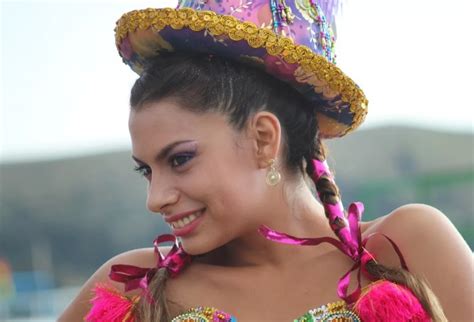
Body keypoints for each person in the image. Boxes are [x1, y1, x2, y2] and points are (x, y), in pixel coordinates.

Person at [59, 1, 473, 321]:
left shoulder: (405, 247)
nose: (156, 198)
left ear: (263, 139)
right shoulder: (132, 287)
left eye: (180, 160)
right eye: (147, 171)